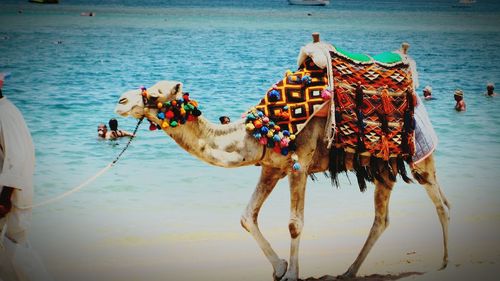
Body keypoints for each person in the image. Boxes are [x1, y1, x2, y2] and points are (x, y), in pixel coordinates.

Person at [0, 75, 52, 281]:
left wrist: (4, 198)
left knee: (16, 247)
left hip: (11, 194)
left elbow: (18, 158)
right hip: (11, 190)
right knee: (13, 249)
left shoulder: (4, 113)